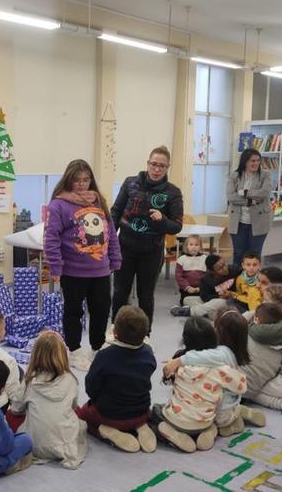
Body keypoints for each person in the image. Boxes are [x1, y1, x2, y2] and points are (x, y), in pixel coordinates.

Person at [44, 159, 121, 371]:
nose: (82, 184)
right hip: (73, 271)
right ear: (68, 180)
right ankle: (75, 350)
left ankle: (96, 348)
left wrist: (115, 258)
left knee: (101, 310)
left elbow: (110, 234)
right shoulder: (58, 205)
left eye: (86, 180)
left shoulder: (99, 202)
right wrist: (55, 267)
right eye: (77, 180)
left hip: (100, 270)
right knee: (73, 312)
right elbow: (51, 238)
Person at [110, 145, 184, 327]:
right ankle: (115, 330)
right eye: (154, 164)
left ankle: (144, 335)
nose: (157, 169)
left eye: (162, 166)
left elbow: (176, 226)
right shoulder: (130, 183)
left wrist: (162, 220)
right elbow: (115, 212)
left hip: (152, 251)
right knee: (120, 292)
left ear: (168, 167)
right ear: (147, 163)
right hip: (125, 248)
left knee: (146, 296)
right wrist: (109, 241)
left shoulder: (173, 192)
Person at [162, 310, 265, 438]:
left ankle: (233, 419)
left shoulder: (221, 354)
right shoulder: (233, 350)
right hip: (230, 401)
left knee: (209, 417)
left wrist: (178, 360)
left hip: (219, 411)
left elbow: (203, 356)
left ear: (220, 331)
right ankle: (239, 412)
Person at [155, 317, 248, 453]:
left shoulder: (178, 362)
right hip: (205, 421)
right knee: (214, 411)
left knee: (156, 411)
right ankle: (210, 431)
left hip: (177, 419)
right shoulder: (220, 369)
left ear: (185, 339)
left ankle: (173, 434)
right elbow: (242, 387)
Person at [76, 306, 157, 454]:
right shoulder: (148, 353)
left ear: (114, 332)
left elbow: (91, 386)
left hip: (110, 415)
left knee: (82, 414)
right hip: (142, 411)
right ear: (145, 333)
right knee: (135, 413)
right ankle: (141, 426)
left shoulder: (105, 356)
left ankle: (106, 431)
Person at [9, 330, 88, 470]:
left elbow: (16, 409)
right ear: (63, 355)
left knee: (11, 416)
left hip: (34, 445)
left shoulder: (29, 380)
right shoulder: (71, 380)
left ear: (35, 356)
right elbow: (74, 407)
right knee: (80, 421)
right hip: (65, 445)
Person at [226, 148, 273, 267]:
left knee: (254, 255)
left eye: (258, 160)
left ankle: (254, 283)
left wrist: (244, 192)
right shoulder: (234, 175)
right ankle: (237, 281)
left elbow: (264, 193)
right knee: (238, 254)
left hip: (259, 222)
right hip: (238, 222)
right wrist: (249, 202)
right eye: (252, 161)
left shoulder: (265, 175)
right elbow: (231, 196)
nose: (256, 163)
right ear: (245, 162)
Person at [172, 254, 238, 318]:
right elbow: (205, 297)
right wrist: (219, 296)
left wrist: (229, 295)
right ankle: (209, 313)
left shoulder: (235, 270)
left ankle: (190, 311)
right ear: (212, 271)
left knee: (217, 302)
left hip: (231, 300)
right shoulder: (205, 279)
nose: (225, 268)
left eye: (224, 264)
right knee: (187, 299)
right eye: (220, 268)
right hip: (215, 301)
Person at [174, 234, 207, 308]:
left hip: (201, 288)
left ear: (200, 247)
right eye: (191, 244)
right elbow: (178, 276)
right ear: (186, 246)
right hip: (187, 289)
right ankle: (200, 308)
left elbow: (208, 276)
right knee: (185, 300)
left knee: (206, 298)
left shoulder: (205, 259)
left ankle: (199, 308)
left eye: (196, 245)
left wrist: (200, 287)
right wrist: (187, 287)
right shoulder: (182, 259)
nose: (194, 247)